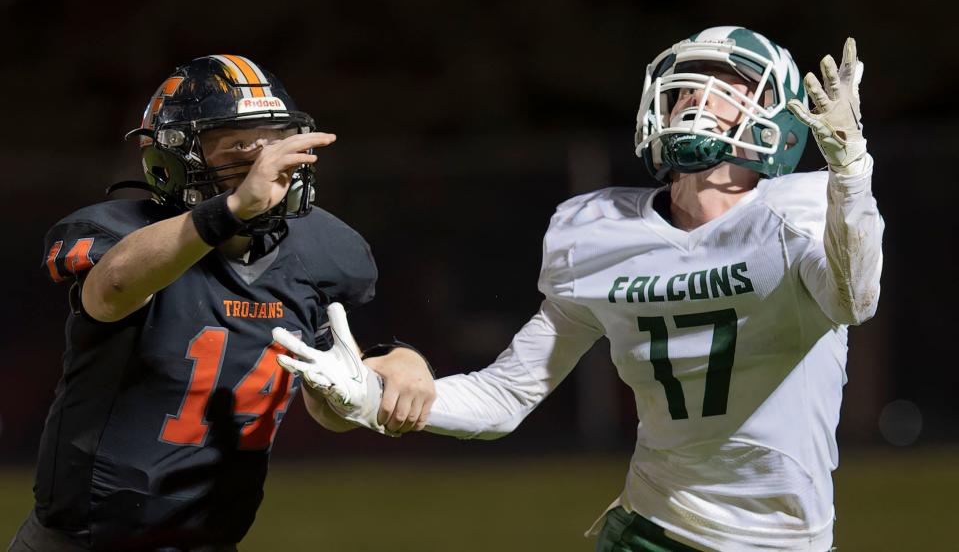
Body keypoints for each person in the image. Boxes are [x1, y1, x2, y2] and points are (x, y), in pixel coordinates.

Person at [278, 28, 884, 551]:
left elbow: (854, 301)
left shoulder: (801, 210)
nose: (700, 98)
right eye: (689, 85)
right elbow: (505, 397)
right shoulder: (598, 234)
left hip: (785, 538)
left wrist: (850, 173)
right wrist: (370, 396)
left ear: (778, 118)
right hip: (654, 529)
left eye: (730, 85)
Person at [11, 54, 434, 552]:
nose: (263, 161)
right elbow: (111, 291)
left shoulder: (324, 249)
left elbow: (330, 405)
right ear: (173, 159)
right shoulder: (118, 232)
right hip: (83, 541)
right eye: (236, 145)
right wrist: (232, 209)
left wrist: (397, 364)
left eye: (273, 141)